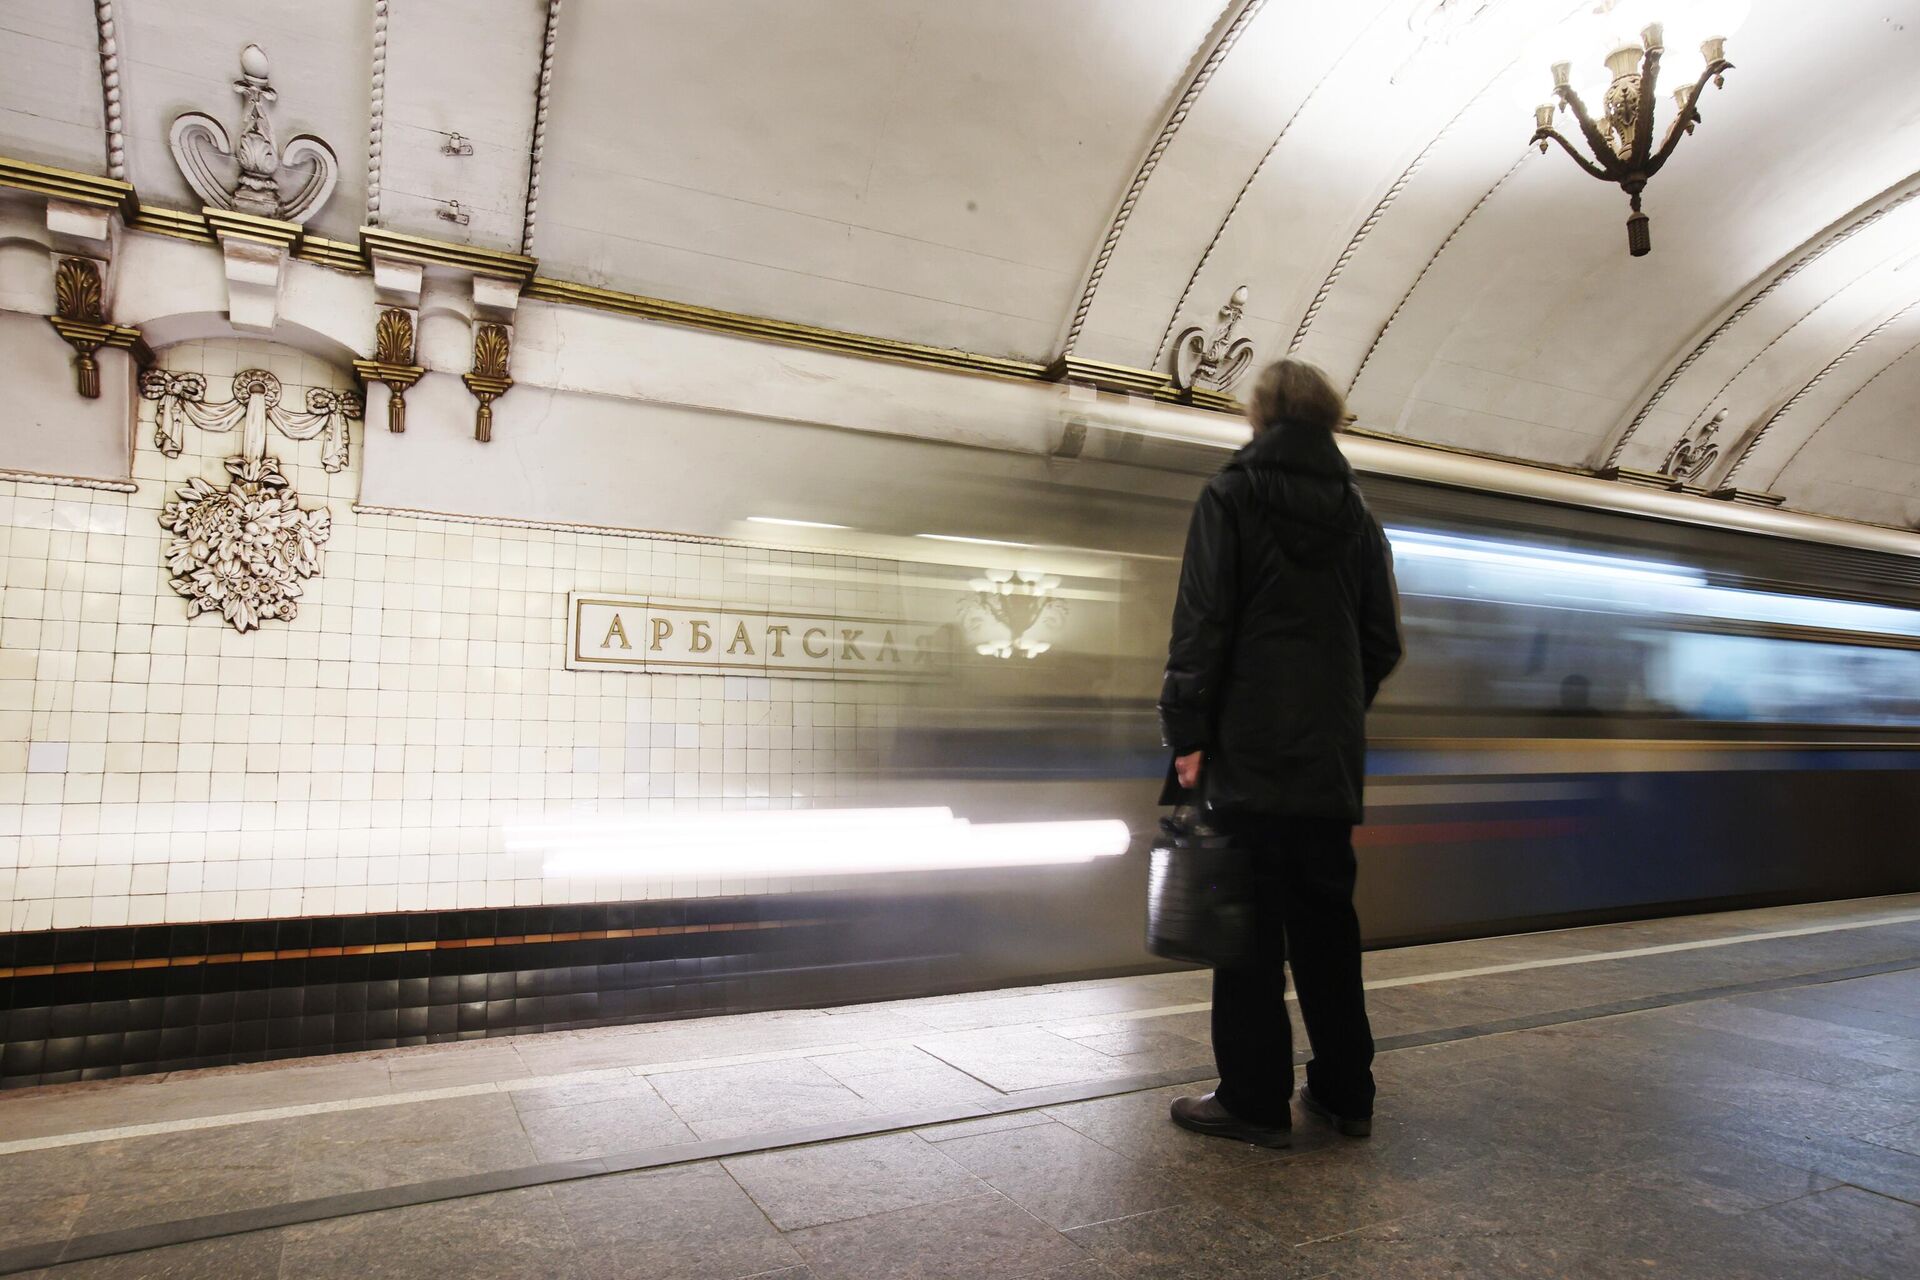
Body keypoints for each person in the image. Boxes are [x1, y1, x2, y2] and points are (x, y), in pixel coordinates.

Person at [1158, 357, 1402, 1148]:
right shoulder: (1357, 515)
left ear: (1259, 417)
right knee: (1328, 930)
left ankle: (1254, 1100)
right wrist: (1333, 714)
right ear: (1329, 419)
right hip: (1326, 767)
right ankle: (1344, 1094)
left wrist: (1189, 735)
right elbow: (1381, 639)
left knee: (1249, 934)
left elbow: (1203, 624)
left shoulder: (1232, 495)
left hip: (1249, 759)